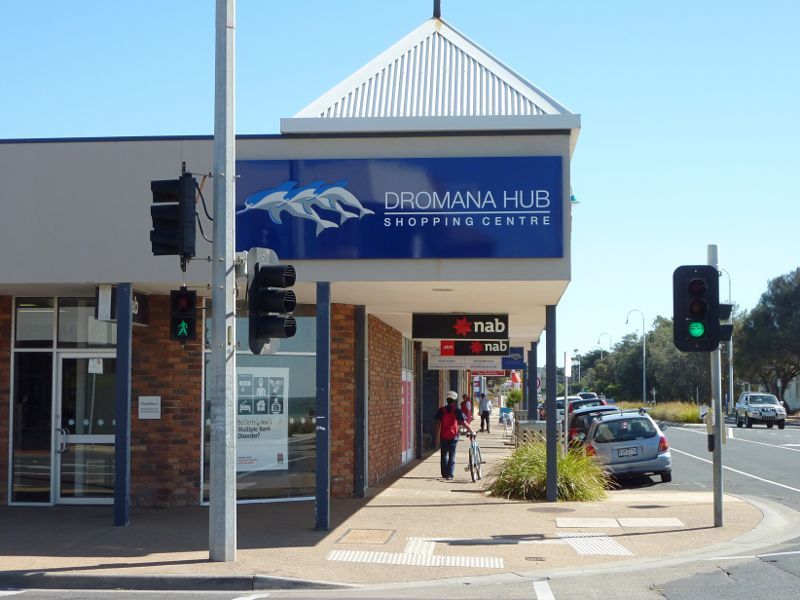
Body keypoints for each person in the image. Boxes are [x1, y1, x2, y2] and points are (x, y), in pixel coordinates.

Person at [434, 391, 474, 480]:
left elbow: (437, 424)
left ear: (447, 400)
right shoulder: (456, 410)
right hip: (453, 436)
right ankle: (450, 475)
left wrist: (437, 437)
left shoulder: (441, 410)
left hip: (443, 435)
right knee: (452, 455)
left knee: (444, 455)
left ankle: (444, 474)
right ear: (454, 401)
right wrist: (471, 431)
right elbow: (464, 423)